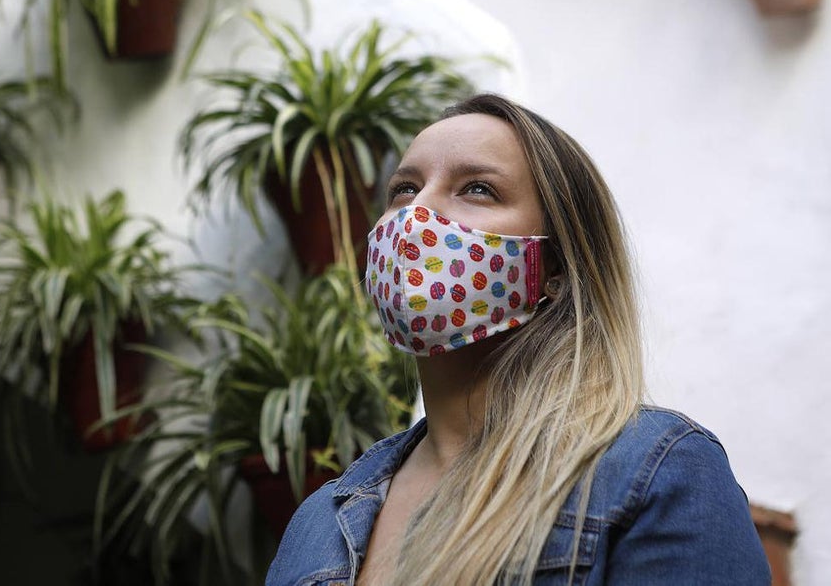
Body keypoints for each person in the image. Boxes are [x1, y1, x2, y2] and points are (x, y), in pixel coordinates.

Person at [266, 94, 770, 585]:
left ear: (553, 266)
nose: (415, 215)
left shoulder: (656, 472)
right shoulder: (318, 524)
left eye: (477, 189)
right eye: (403, 188)